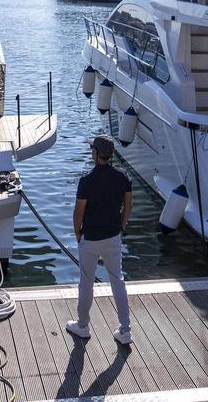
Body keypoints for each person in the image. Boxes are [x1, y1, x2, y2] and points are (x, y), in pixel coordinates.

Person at [65, 135, 133, 346]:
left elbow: (78, 213)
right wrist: (121, 226)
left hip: (91, 238)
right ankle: (125, 330)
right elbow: (128, 207)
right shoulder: (123, 177)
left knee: (86, 282)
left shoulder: (86, 181)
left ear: (95, 154)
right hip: (113, 236)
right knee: (117, 281)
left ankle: (83, 327)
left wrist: (78, 233)